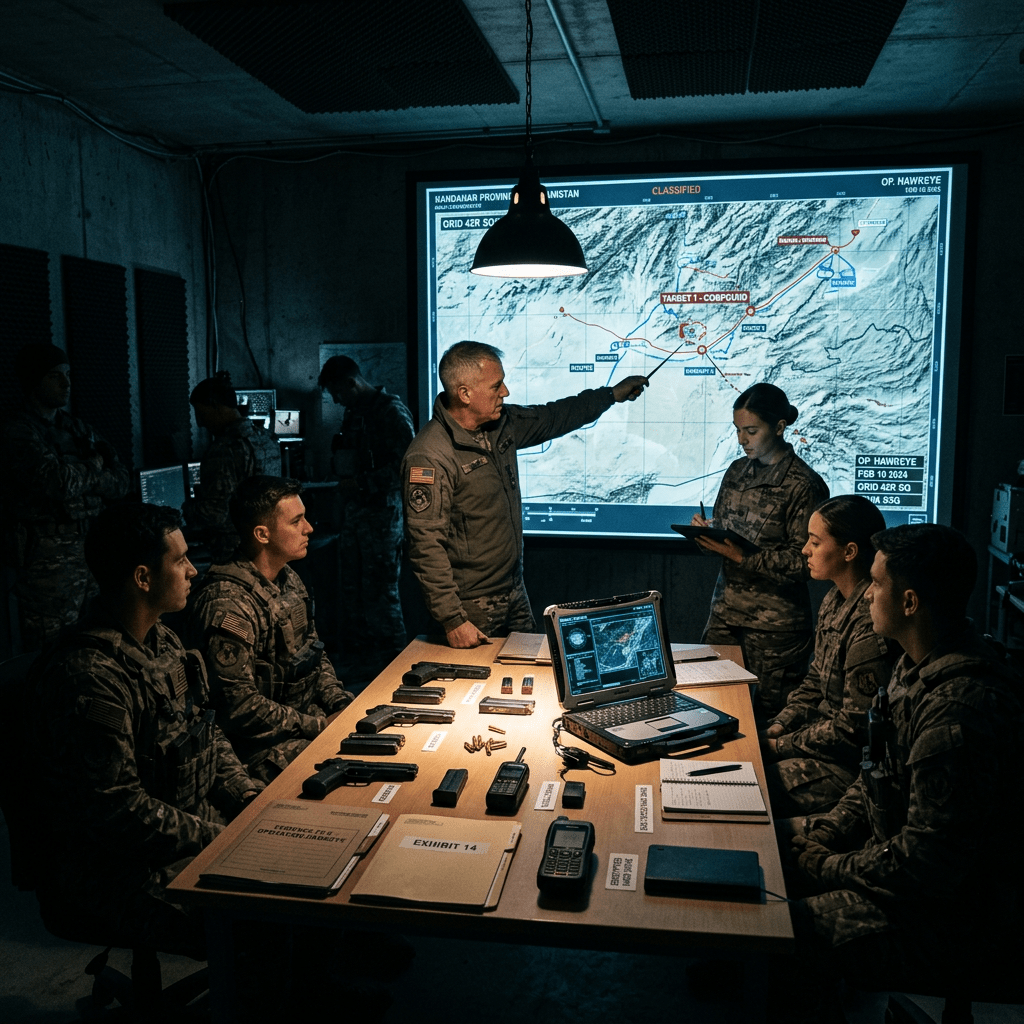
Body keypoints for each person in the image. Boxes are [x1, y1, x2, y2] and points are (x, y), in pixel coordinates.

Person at [776, 524, 1022, 1020]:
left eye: (876, 583)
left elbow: (923, 864)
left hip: (955, 919)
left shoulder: (959, 708)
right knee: (780, 861)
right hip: (916, 881)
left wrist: (825, 865)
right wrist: (823, 835)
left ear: (909, 603)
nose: (865, 595)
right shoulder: (916, 667)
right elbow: (874, 777)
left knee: (783, 929)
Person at [27, 503, 261, 959]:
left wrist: (248, 801)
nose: (194, 571)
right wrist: (221, 836)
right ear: (142, 577)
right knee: (254, 924)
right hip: (115, 869)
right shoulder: (89, 676)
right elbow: (118, 810)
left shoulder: (162, 640)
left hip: (181, 830)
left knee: (289, 878)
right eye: (179, 560)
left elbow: (205, 735)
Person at [402, 340, 648, 648]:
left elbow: (553, 416)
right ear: (464, 394)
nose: (505, 392)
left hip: (514, 592)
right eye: (496, 386)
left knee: (528, 677)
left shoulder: (501, 425)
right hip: (470, 608)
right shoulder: (430, 455)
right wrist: (452, 619)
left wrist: (611, 395)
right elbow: (425, 546)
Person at [188, 475, 353, 781]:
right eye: (297, 521)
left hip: (302, 723)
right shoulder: (228, 604)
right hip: (258, 748)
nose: (309, 529)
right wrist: (319, 726)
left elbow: (315, 654)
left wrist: (339, 702)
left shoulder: (288, 579)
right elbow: (239, 708)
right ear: (262, 534)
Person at [690, 382, 829, 717]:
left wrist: (743, 556)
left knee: (768, 721)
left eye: (751, 431)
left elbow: (804, 562)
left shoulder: (804, 485)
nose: (742, 440)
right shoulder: (737, 472)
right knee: (709, 710)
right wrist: (708, 536)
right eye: (738, 430)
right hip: (725, 616)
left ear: (779, 427)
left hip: (775, 629)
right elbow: (729, 539)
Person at [760, 495, 898, 819]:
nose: (805, 550)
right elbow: (814, 682)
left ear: (849, 551)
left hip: (846, 767)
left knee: (750, 795)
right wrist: (780, 725)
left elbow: (853, 731)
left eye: (815, 542)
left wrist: (780, 746)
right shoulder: (835, 599)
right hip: (818, 743)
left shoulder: (871, 623)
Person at [3, 343, 129, 651]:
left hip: (90, 552)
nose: (66, 384)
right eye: (55, 376)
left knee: (97, 640)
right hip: (47, 564)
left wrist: (83, 474)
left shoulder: (77, 429)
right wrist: (94, 467)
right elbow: (57, 482)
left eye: (68, 375)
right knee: (53, 649)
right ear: (34, 381)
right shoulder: (18, 431)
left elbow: (121, 481)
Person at [318, 355, 414, 668]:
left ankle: (394, 663)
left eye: (338, 392)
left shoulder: (390, 411)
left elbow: (406, 468)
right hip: (355, 516)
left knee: (381, 595)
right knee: (353, 593)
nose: (336, 400)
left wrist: (361, 484)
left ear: (352, 382)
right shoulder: (354, 413)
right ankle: (363, 665)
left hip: (381, 518)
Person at [185, 370, 281, 562]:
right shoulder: (266, 438)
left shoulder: (223, 449)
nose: (200, 423)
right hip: (266, 544)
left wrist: (188, 510)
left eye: (201, 413)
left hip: (234, 552)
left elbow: (217, 514)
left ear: (214, 406)